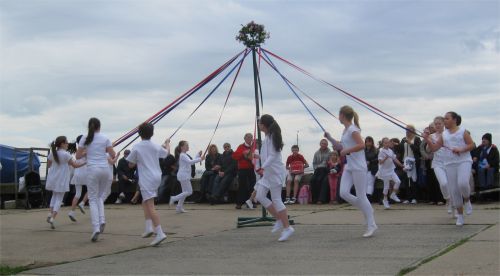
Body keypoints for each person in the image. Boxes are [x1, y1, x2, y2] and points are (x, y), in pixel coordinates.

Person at [325, 105, 377, 237]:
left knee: (361, 196)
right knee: (343, 193)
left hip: (359, 166)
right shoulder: (345, 130)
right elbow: (341, 146)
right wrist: (330, 138)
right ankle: (368, 210)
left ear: (342, 115)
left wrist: (346, 151)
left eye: (339, 114)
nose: (338, 117)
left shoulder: (353, 129)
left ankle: (371, 224)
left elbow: (361, 145)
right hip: (349, 166)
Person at [424, 111, 474, 226]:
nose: (444, 120)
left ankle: (467, 199)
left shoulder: (462, 131)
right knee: (454, 190)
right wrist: (427, 139)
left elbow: (472, 144)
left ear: (454, 120)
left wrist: (460, 149)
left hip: (463, 161)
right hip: (449, 163)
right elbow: (435, 148)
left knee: (462, 183)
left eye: (446, 118)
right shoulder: (444, 135)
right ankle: (460, 215)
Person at [126, 122, 170, 246]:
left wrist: (138, 161)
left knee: (150, 205)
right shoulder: (155, 146)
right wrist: (167, 144)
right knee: (145, 201)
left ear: (139, 134)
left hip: (146, 178)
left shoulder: (137, 147)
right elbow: (166, 153)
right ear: (152, 133)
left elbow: (130, 164)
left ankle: (160, 232)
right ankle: (148, 228)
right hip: (156, 177)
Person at [253, 114, 294, 242]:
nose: (258, 125)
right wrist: (258, 158)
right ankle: (279, 220)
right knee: (259, 196)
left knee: (276, 199)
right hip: (268, 173)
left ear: (264, 125)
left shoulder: (272, 137)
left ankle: (287, 228)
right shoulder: (267, 137)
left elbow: (272, 156)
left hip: (274, 173)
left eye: (259, 123)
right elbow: (267, 156)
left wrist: (262, 167)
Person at [76, 117, 116, 242]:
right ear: (100, 126)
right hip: (105, 170)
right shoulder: (105, 137)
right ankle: (102, 220)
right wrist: (105, 149)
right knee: (99, 197)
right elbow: (113, 155)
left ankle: (96, 227)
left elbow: (77, 156)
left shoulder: (84, 138)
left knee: (92, 199)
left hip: (92, 170)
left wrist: (86, 152)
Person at [46, 136, 85, 229]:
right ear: (62, 144)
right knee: (59, 198)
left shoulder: (52, 153)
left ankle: (49, 214)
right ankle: (52, 218)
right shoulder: (66, 155)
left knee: (54, 196)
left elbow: (48, 166)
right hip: (62, 178)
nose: (68, 144)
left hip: (53, 177)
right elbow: (75, 165)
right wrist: (85, 162)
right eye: (66, 143)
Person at [169, 141, 204, 213]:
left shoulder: (184, 155)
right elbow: (190, 162)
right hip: (183, 176)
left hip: (183, 175)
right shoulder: (182, 155)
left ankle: (179, 208)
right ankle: (174, 198)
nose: (188, 146)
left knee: (184, 192)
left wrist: (198, 155)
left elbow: (191, 160)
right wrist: (200, 159)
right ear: (182, 147)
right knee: (189, 192)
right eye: (186, 145)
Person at [376, 137, 404, 209]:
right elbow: (380, 162)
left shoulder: (390, 151)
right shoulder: (381, 151)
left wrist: (401, 165)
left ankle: (393, 195)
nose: (387, 144)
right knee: (386, 187)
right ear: (383, 143)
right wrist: (385, 158)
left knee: (398, 181)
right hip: (384, 171)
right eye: (385, 142)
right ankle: (385, 200)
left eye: (388, 142)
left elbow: (395, 159)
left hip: (391, 170)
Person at [398, 124, 422, 204]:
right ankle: (408, 198)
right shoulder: (403, 139)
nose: (407, 132)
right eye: (406, 130)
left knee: (413, 179)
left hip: (414, 161)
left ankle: (415, 197)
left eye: (409, 130)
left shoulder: (417, 139)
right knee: (406, 180)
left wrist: (410, 144)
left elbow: (418, 150)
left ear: (413, 131)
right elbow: (400, 150)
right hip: (405, 161)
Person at [232, 133, 257, 209]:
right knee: (242, 186)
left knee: (252, 186)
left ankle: (251, 201)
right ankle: (239, 203)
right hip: (242, 169)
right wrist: (243, 153)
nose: (250, 139)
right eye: (248, 137)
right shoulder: (241, 146)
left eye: (251, 137)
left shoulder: (254, 147)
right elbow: (234, 156)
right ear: (245, 138)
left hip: (251, 169)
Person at [68, 135, 88, 222]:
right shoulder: (86, 149)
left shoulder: (78, 149)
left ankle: (72, 212)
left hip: (77, 173)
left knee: (77, 194)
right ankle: (83, 203)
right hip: (85, 172)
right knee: (92, 189)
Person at [310, 139, 332, 204]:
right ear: (320, 144)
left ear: (327, 145)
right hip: (317, 170)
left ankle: (321, 199)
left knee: (321, 180)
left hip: (325, 170)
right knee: (312, 180)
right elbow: (314, 163)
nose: (323, 145)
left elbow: (326, 163)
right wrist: (316, 169)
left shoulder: (329, 152)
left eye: (325, 144)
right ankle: (314, 198)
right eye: (322, 143)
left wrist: (319, 167)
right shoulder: (316, 153)